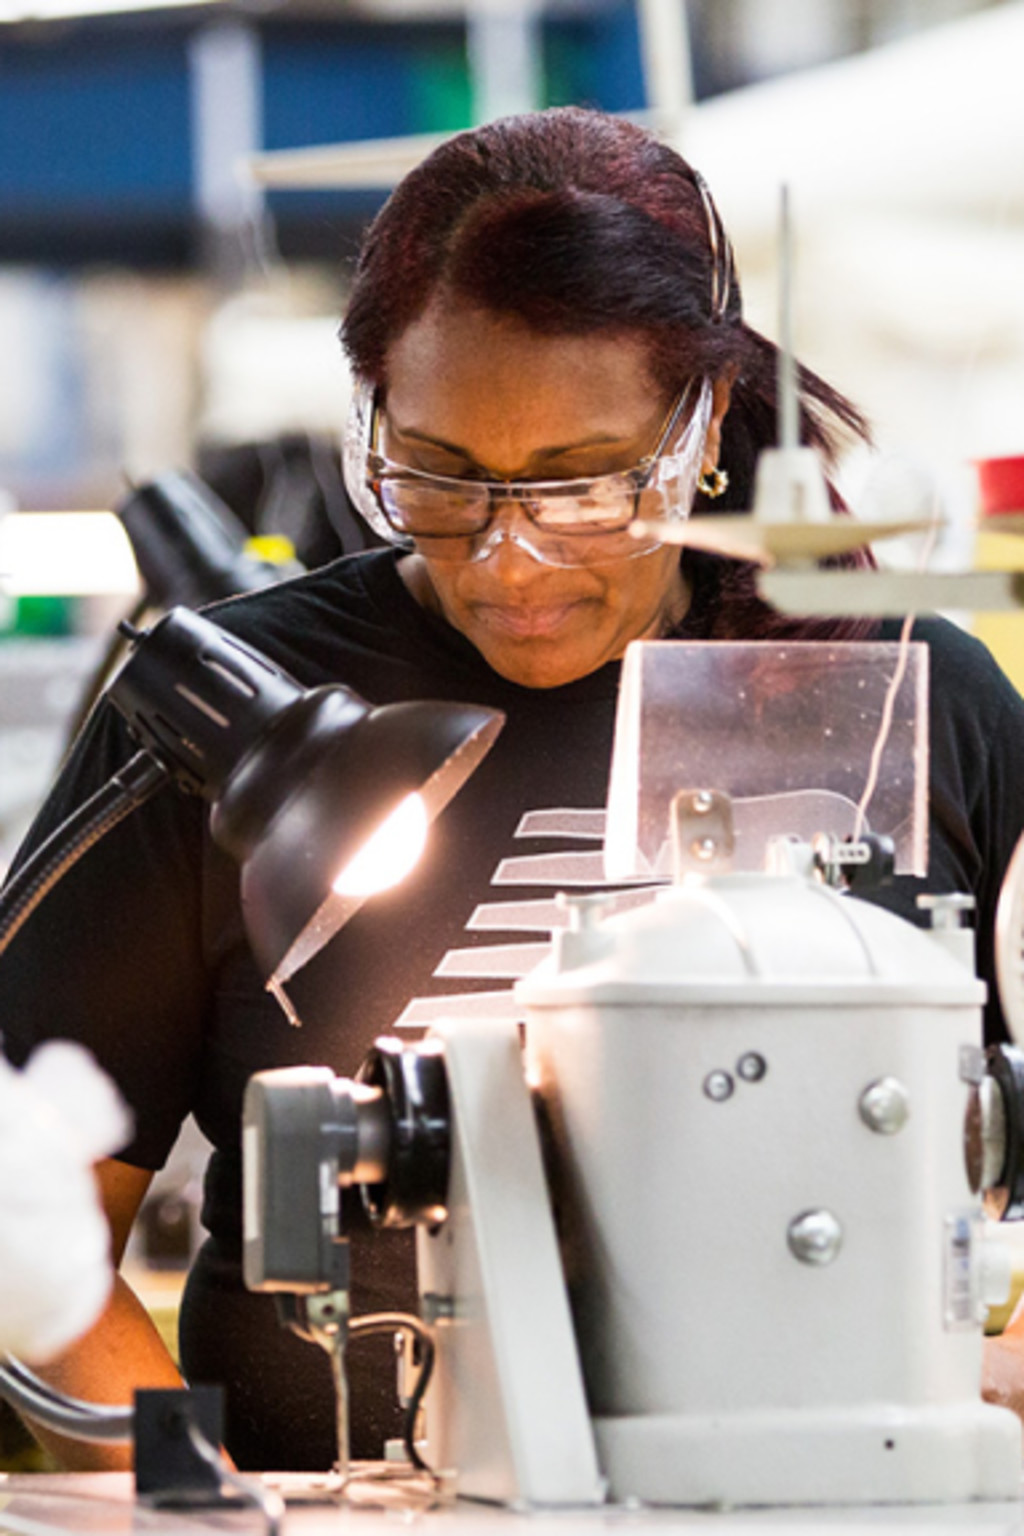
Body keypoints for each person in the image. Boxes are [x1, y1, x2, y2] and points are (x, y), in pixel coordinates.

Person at [2, 106, 1023, 1472]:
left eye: (583, 485)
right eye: (436, 478)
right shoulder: (239, 721)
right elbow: (28, 1222)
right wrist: (194, 1495)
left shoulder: (914, 701)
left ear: (705, 422)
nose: (510, 559)